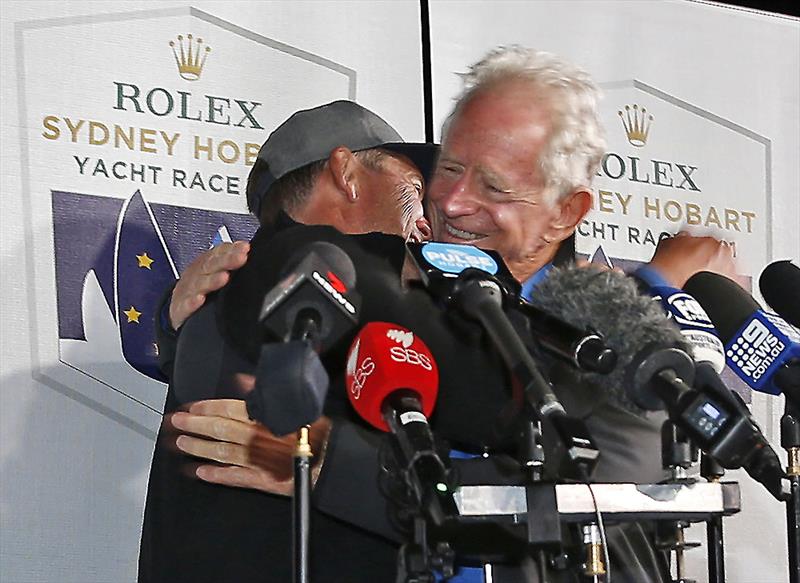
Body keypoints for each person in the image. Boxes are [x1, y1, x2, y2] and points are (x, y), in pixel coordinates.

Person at [145, 47, 737, 583]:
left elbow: (606, 488)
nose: (445, 204)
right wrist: (174, 328)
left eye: (494, 186)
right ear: (347, 174)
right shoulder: (294, 292)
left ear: (564, 214)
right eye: (439, 174)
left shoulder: (606, 323)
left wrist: (336, 465)